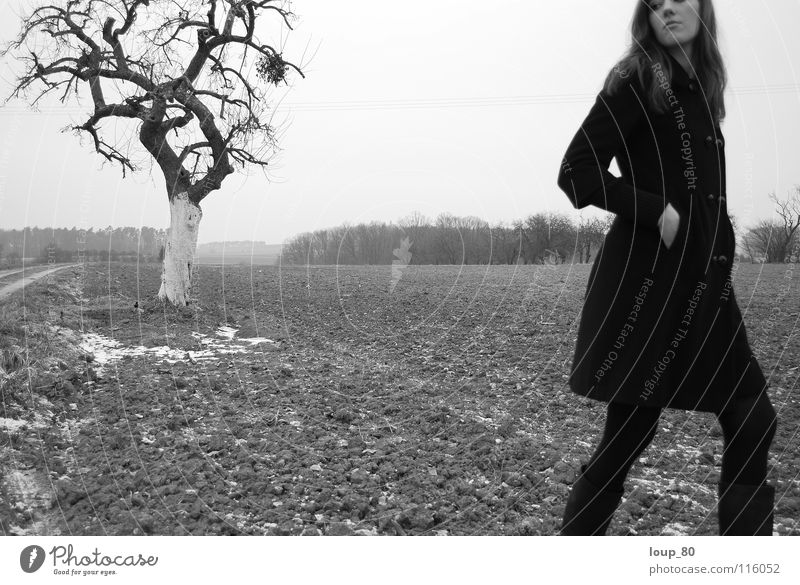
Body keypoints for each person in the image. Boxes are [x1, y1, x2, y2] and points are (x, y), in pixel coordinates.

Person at [555, 0, 778, 536]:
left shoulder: (700, 88)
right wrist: (655, 209)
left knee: (752, 416)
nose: (667, 7)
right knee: (629, 432)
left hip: (705, 290)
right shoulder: (635, 77)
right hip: (648, 290)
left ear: (703, 9)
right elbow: (576, 172)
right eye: (654, 2)